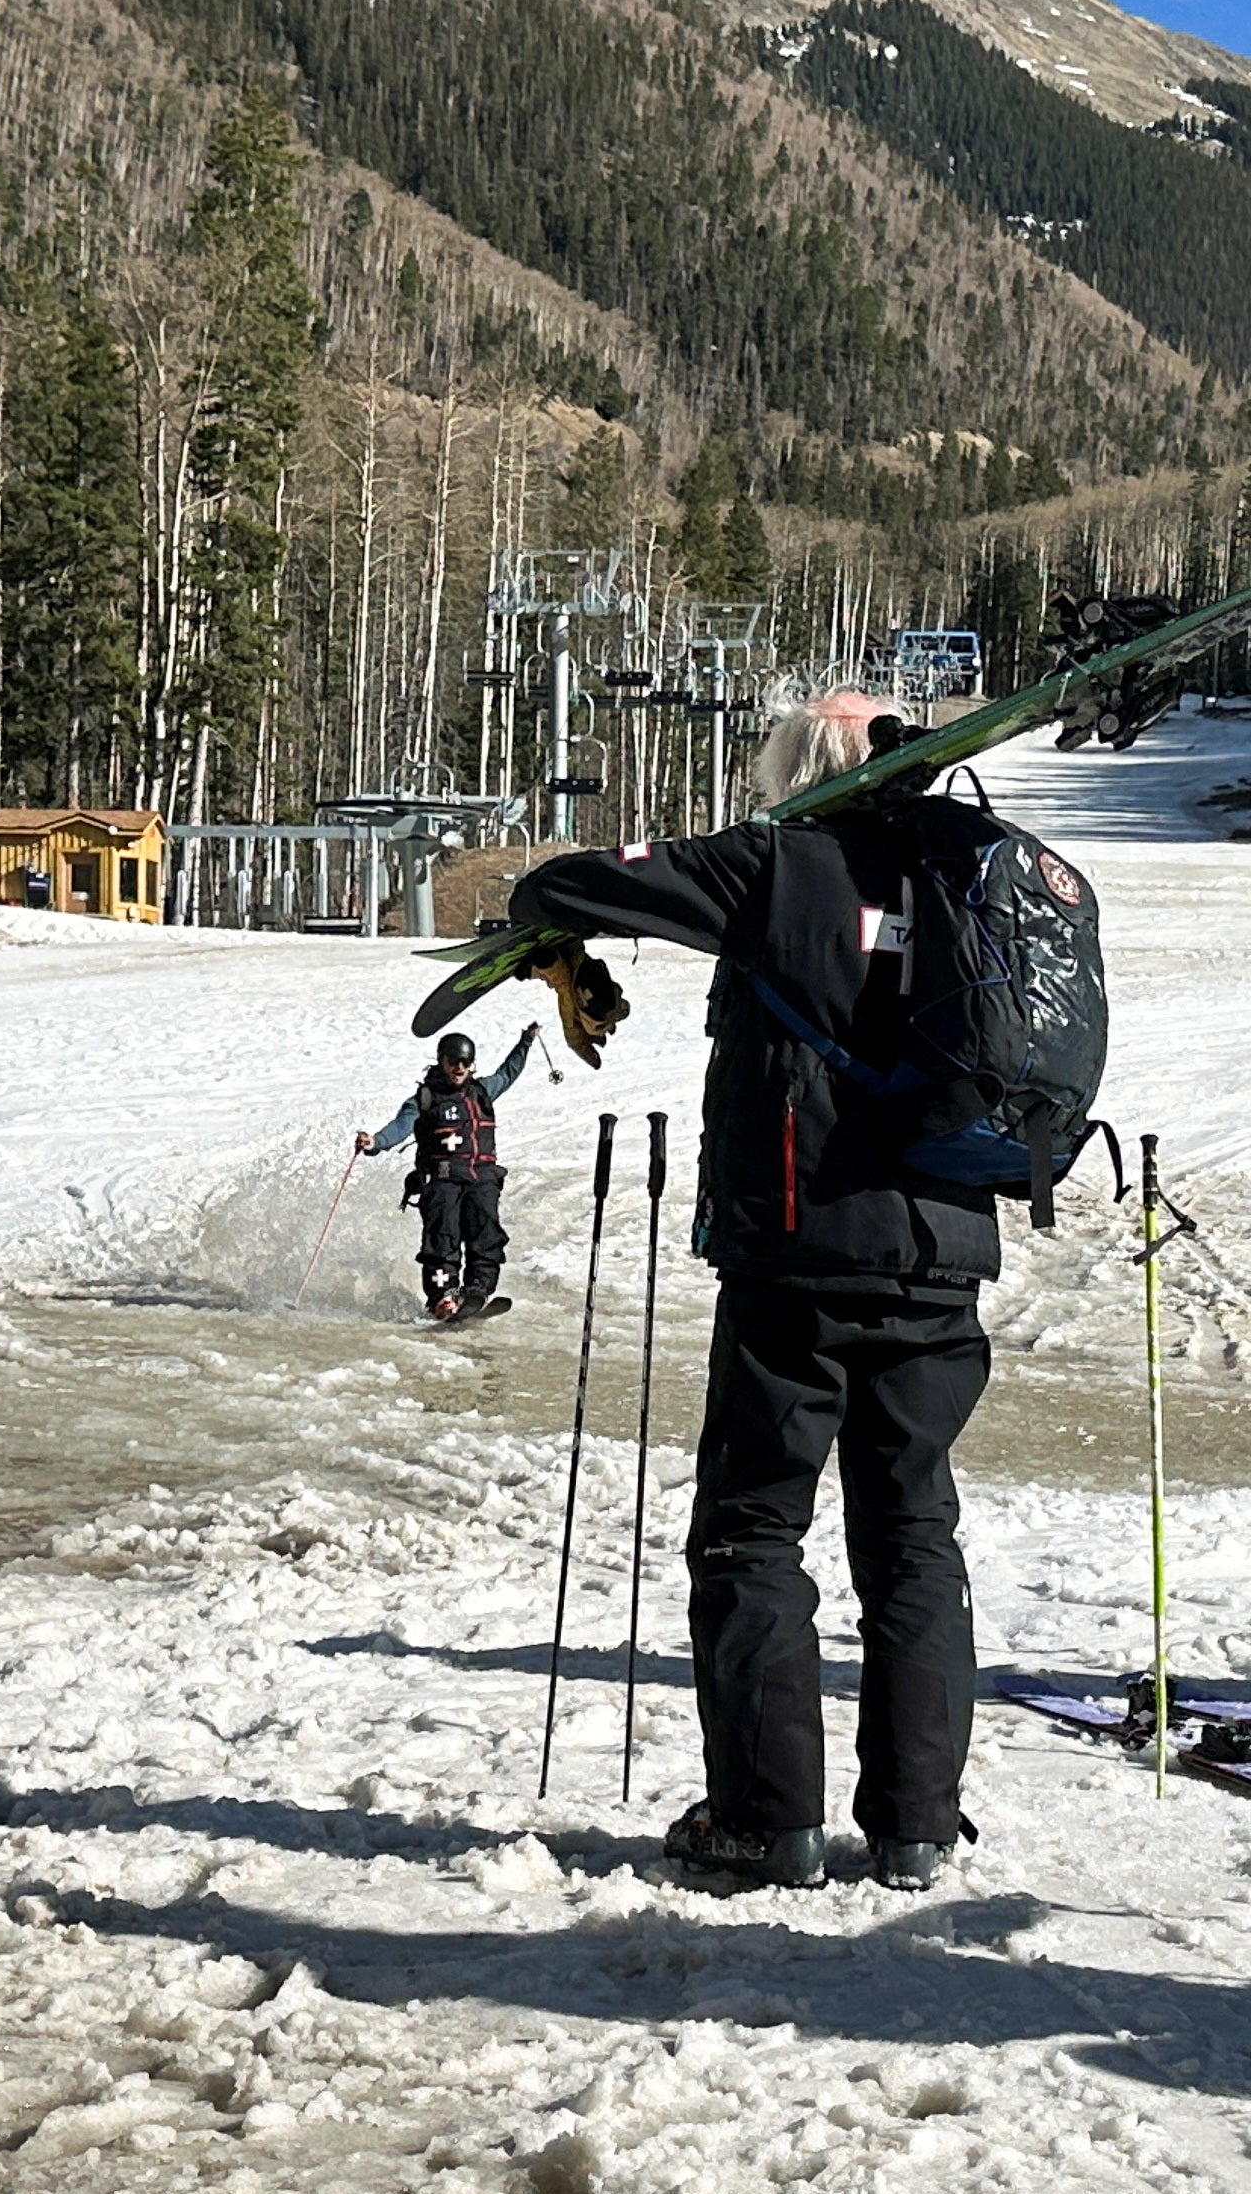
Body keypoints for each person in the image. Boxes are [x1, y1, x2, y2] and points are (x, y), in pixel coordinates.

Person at [498, 689, 993, 1894]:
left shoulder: (773, 864)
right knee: (915, 1533)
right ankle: (917, 1825)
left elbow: (561, 880)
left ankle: (768, 1818)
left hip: (797, 1249)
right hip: (942, 1251)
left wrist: (558, 943)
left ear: (797, 770)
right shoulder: (975, 875)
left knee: (753, 1528)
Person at [364, 1025, 538, 1321]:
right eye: (453, 1061)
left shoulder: (482, 1091)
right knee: (443, 1238)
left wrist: (525, 1042)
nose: (459, 1068)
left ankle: (477, 1290)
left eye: (465, 1063)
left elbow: (508, 1073)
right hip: (442, 1180)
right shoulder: (425, 1098)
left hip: (482, 1178)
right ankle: (442, 1296)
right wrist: (376, 1142)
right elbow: (400, 1127)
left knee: (485, 1234)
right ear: (441, 1061)